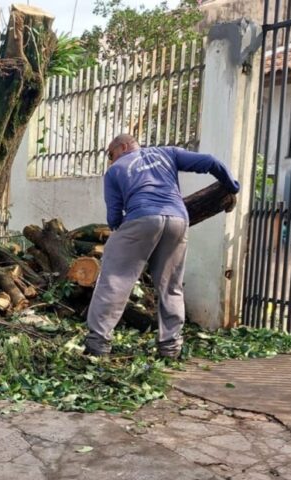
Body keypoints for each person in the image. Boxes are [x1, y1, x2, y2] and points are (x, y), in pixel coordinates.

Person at [84, 134, 240, 358]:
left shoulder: (115, 171)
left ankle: (97, 343)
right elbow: (210, 162)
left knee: (115, 279)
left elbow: (114, 218)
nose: (111, 160)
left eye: (111, 154)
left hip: (141, 218)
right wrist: (231, 185)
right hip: (177, 219)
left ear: (124, 146)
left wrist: (129, 232)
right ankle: (170, 347)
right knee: (171, 284)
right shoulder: (168, 153)